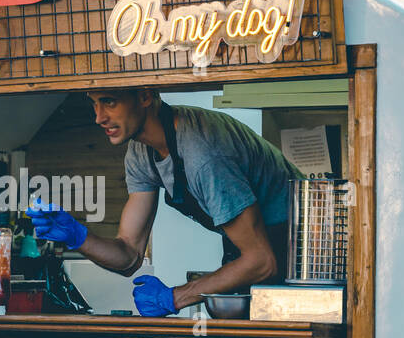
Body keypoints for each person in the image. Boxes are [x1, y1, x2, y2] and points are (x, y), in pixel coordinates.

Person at [27, 88, 303, 316]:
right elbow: (129, 256)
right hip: (254, 251)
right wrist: (78, 236)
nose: (99, 117)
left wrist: (175, 297)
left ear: (145, 96)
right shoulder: (140, 152)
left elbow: (261, 261)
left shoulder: (203, 154)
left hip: (303, 257)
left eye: (109, 101)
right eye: (94, 103)